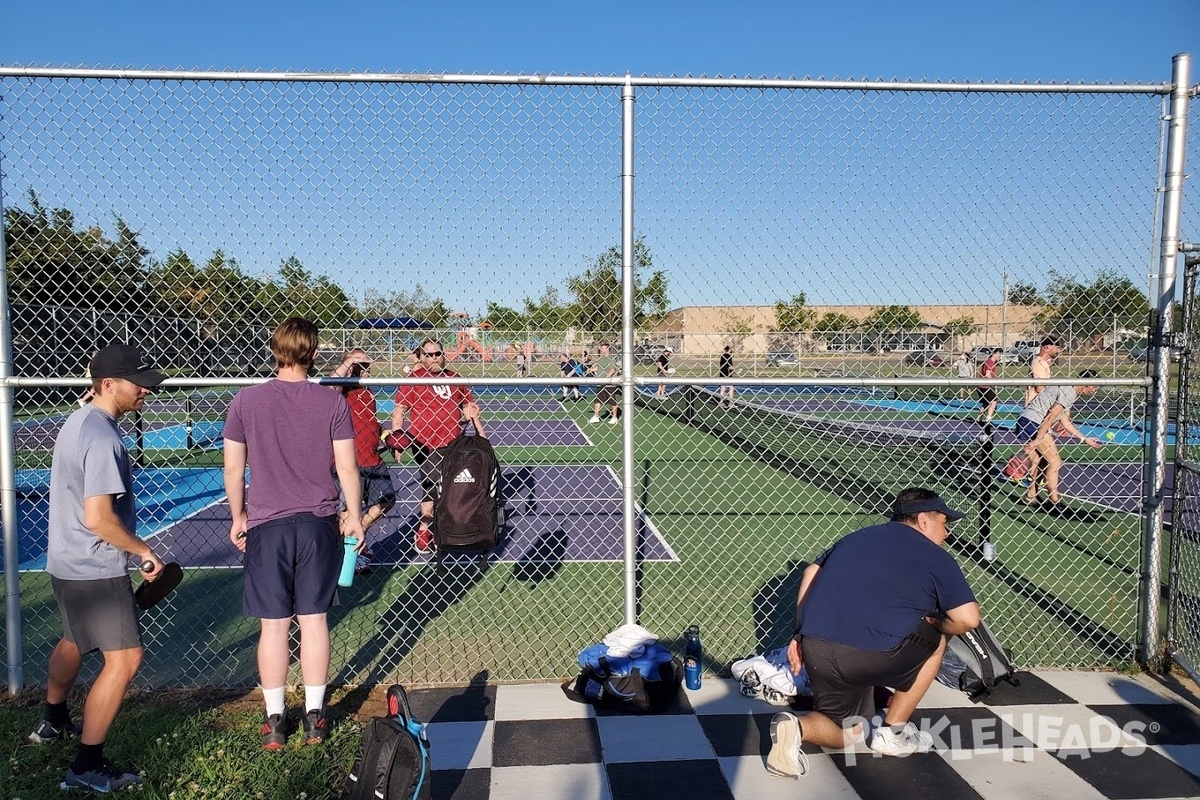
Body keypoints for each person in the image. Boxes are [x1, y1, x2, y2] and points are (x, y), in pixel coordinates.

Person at [766, 488, 981, 778]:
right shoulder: (936, 557)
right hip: (873, 654)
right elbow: (967, 619)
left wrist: (800, 633)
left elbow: (809, 574)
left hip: (818, 649)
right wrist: (939, 625)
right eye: (945, 523)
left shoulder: (854, 538)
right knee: (937, 640)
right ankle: (892, 732)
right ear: (923, 520)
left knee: (847, 732)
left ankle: (795, 727)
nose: (947, 534)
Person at [30, 343, 167, 792]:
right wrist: (143, 551)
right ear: (108, 384)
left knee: (74, 639)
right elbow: (99, 518)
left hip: (65, 562)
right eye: (138, 384)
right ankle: (86, 766)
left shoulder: (78, 419)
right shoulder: (104, 437)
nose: (145, 391)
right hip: (94, 564)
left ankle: (52, 720)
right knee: (125, 658)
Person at [223, 318, 364, 749]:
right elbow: (346, 466)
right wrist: (355, 514)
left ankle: (275, 720)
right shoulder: (331, 403)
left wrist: (238, 515)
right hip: (318, 522)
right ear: (315, 354)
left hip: (267, 524)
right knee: (315, 620)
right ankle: (315, 716)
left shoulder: (246, 401)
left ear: (274, 349)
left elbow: (232, 467)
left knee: (273, 626)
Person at [390, 338, 486, 553]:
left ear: (444, 355)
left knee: (457, 486)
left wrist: (480, 431)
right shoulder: (414, 379)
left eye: (437, 353)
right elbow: (399, 410)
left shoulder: (455, 378)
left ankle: (451, 528)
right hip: (426, 444)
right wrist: (397, 436)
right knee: (433, 488)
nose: (434, 358)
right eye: (429, 354)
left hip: (455, 443)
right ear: (421, 357)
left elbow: (469, 406)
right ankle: (424, 531)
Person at [328, 349, 397, 574]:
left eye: (367, 363)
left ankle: (359, 535)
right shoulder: (342, 390)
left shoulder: (368, 392)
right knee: (347, 512)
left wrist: (387, 436)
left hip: (372, 459)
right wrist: (349, 362)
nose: (366, 368)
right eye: (361, 364)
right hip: (347, 463)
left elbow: (372, 423)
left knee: (387, 499)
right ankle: (348, 557)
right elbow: (330, 385)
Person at [1015, 370, 1103, 507]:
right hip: (1033, 422)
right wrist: (1038, 439)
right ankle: (1054, 500)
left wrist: (1084, 439)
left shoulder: (1070, 391)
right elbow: (1050, 418)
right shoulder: (1069, 391)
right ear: (1087, 383)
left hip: (1030, 420)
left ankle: (1031, 495)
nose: (1095, 389)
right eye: (1094, 386)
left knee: (1043, 461)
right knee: (1055, 461)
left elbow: (1065, 421)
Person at [1022, 337, 1063, 489]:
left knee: (1040, 458)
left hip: (1042, 415)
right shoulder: (1038, 363)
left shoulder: (1045, 364)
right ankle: (1053, 497)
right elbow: (1040, 388)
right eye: (1056, 346)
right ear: (1046, 347)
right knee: (1054, 460)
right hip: (1035, 415)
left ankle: (1032, 493)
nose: (1058, 350)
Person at [589, 342, 621, 425]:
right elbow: (599, 368)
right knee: (597, 400)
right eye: (601, 348)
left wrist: (606, 379)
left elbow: (612, 370)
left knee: (612, 401)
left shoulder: (611, 358)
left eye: (603, 348)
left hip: (608, 384)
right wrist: (591, 370)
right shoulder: (601, 358)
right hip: (600, 383)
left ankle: (614, 417)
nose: (601, 350)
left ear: (607, 349)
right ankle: (596, 416)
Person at [977, 348, 1002, 422]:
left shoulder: (990, 362)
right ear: (995, 353)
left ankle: (979, 417)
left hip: (982, 385)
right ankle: (988, 418)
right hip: (985, 385)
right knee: (994, 401)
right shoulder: (990, 362)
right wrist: (993, 383)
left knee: (986, 403)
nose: (1000, 356)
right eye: (999, 354)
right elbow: (988, 374)